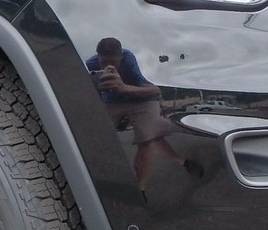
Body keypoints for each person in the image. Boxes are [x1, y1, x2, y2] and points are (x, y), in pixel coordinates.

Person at [86, 37, 203, 189]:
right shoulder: (90, 64)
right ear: (98, 57)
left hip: (140, 98)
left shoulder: (130, 60)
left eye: (113, 62)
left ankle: (140, 190)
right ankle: (183, 162)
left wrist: (124, 87)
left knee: (147, 139)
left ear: (121, 56)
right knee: (97, 136)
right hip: (112, 101)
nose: (108, 66)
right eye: (103, 63)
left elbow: (155, 90)